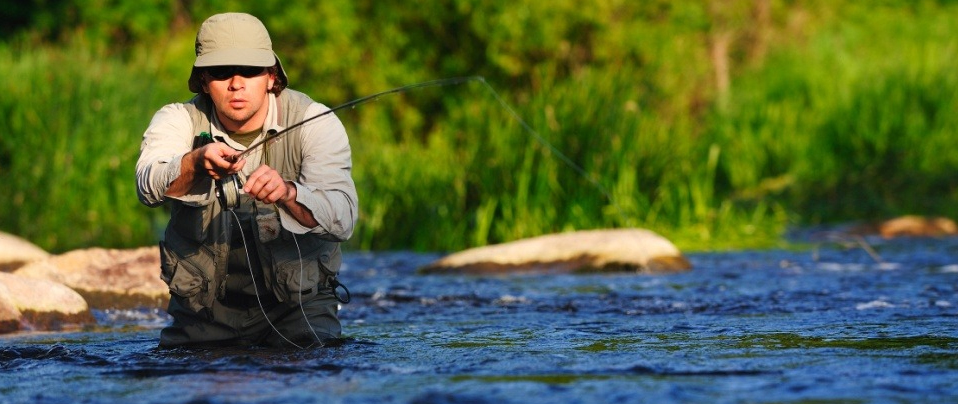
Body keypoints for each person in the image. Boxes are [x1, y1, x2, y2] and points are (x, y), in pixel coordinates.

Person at [135, 12, 358, 348]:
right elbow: (147, 185)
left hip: (299, 309)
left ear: (271, 77)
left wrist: (287, 194)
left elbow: (343, 219)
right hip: (202, 314)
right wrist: (194, 164)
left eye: (250, 70)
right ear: (205, 79)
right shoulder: (177, 120)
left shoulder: (315, 121)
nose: (236, 83)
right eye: (222, 72)